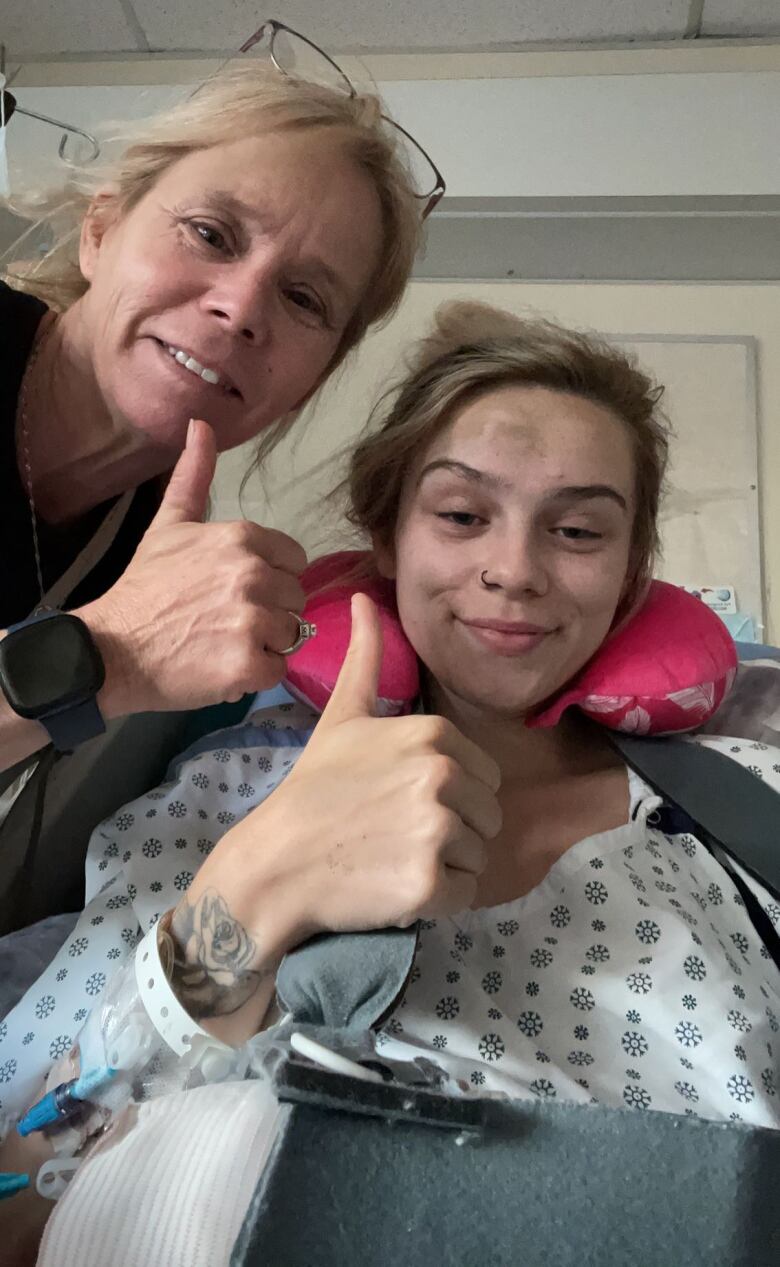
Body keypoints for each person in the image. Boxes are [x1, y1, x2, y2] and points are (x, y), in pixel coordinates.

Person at [2, 302, 778, 1265]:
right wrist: (249, 891)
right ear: (386, 536)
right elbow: (20, 1189)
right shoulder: (229, 794)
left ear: (630, 575)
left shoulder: (753, 811)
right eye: (460, 515)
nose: (514, 570)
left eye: (578, 530)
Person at [0, 23, 431, 930]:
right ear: (100, 229)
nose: (239, 308)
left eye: (305, 298)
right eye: (210, 232)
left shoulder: (154, 535)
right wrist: (109, 656)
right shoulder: (146, 603)